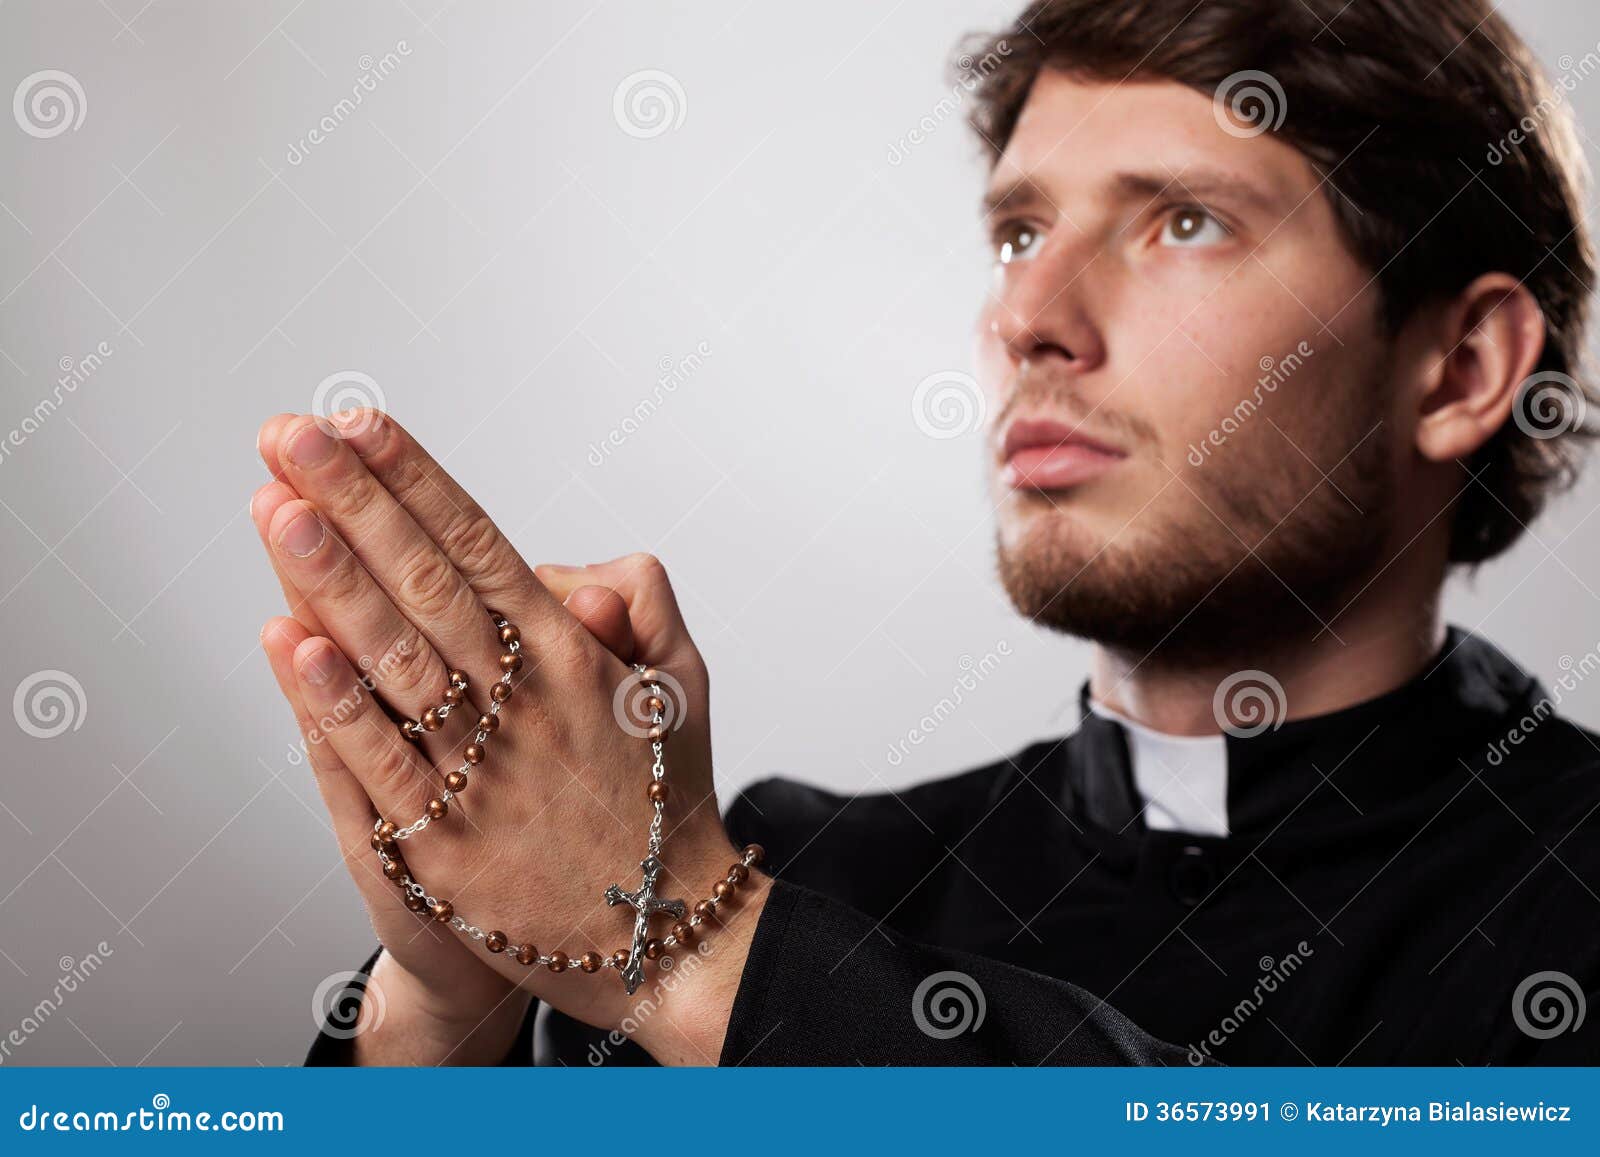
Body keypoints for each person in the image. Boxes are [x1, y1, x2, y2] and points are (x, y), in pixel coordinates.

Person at [255, 0, 1600, 1065]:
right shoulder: (800, 865)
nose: (1029, 318)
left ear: (1464, 366)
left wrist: (686, 951)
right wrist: (444, 1022)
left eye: (1183, 221)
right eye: (1021, 231)